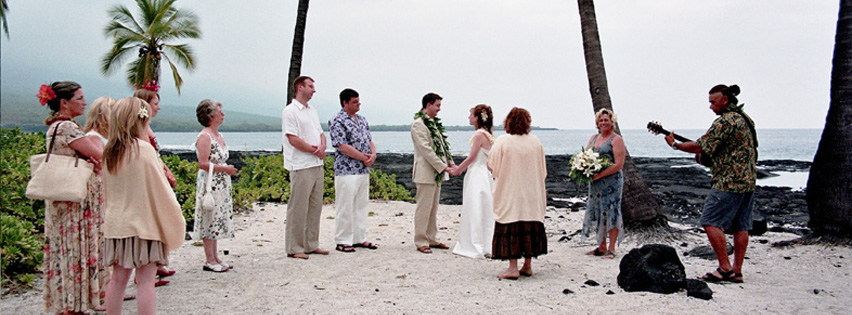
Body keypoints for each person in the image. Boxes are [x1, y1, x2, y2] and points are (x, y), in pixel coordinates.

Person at [664, 84, 757, 283]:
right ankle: (737, 271)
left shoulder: (725, 122)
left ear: (725, 100)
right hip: (748, 180)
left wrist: (675, 145)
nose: (711, 107)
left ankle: (724, 268)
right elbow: (726, 150)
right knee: (741, 226)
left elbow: (700, 145)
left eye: (713, 102)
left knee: (710, 221)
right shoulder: (746, 119)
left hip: (728, 181)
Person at [102, 97, 185, 315]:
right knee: (145, 281)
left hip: (116, 223)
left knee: (118, 279)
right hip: (144, 225)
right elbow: (160, 189)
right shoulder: (143, 150)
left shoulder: (110, 151)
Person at [37, 81, 107, 314]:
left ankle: (71, 301)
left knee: (65, 252)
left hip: (64, 200)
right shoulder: (67, 128)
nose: (84, 102)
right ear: (64, 103)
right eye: (79, 98)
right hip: (73, 204)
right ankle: (74, 304)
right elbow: (99, 153)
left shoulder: (58, 128)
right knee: (75, 251)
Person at [487, 107, 548, 280]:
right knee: (529, 223)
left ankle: (513, 268)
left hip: (511, 190)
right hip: (531, 191)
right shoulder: (535, 141)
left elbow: (492, 165)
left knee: (511, 223)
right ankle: (527, 265)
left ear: (508, 122)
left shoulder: (503, 141)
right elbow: (543, 169)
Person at [133, 88, 177, 284]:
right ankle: (144, 271)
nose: (158, 107)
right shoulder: (138, 128)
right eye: (155, 103)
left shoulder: (147, 126)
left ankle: (157, 264)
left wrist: (166, 169)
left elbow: (155, 154)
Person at [282, 76, 329, 259]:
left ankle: (311, 243)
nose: (313, 90)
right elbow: (292, 139)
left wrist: (322, 146)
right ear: (300, 87)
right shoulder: (290, 111)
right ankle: (295, 247)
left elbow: (320, 133)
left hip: (317, 164)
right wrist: (313, 150)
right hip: (300, 165)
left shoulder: (312, 111)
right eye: (310, 86)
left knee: (315, 206)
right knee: (298, 207)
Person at [329, 88, 378, 253]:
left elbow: (369, 140)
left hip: (363, 170)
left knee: (361, 204)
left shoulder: (362, 120)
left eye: (359, 101)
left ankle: (359, 237)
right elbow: (343, 146)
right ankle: (343, 239)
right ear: (345, 103)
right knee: (345, 205)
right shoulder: (337, 120)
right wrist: (363, 157)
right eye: (355, 102)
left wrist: (373, 155)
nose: (359, 104)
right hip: (346, 170)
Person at [194, 99, 238, 271]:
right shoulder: (205, 136)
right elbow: (202, 163)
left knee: (217, 217)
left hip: (221, 183)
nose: (223, 114)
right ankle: (209, 259)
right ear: (211, 115)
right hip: (210, 182)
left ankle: (215, 256)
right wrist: (224, 168)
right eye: (220, 111)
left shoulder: (219, 136)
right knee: (209, 217)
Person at [410, 92, 457, 254]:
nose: (439, 109)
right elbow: (426, 150)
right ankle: (421, 240)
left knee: (433, 207)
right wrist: (443, 166)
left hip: (436, 173)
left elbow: (442, 147)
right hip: (425, 172)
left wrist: (450, 162)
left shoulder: (433, 123)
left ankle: (432, 238)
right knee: (423, 208)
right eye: (437, 105)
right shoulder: (418, 124)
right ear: (428, 105)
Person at [448, 104, 495, 259]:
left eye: (470, 115)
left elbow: (471, 157)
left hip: (477, 173)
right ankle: (487, 243)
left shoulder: (479, 135)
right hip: (486, 174)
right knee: (485, 207)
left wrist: (458, 169)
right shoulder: (489, 134)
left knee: (474, 206)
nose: (468, 117)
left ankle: (474, 244)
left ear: (477, 118)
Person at [582, 108, 626, 259]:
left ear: (612, 122)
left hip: (612, 181)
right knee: (598, 211)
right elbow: (586, 156)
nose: (603, 123)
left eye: (606, 120)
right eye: (601, 120)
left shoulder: (616, 139)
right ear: (597, 123)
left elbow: (619, 164)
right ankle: (601, 246)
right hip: (596, 182)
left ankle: (612, 248)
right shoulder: (594, 138)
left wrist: (600, 174)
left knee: (611, 211)